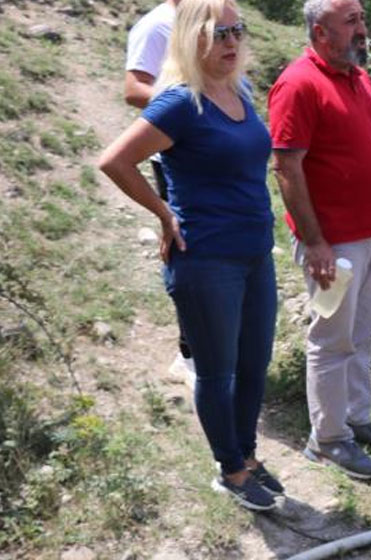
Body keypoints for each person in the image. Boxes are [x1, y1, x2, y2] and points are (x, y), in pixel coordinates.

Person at [99, 0, 283, 512]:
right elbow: (115, 161)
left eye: (235, 31)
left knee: (254, 365)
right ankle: (230, 469)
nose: (229, 42)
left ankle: (246, 455)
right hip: (206, 259)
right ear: (189, 38)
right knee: (218, 371)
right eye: (216, 33)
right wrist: (163, 213)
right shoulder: (180, 102)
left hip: (253, 255)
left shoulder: (239, 90)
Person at [269, 0, 371, 481]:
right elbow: (287, 166)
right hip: (333, 244)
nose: (363, 30)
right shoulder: (298, 83)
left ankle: (355, 419)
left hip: (368, 235)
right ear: (321, 32)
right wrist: (316, 241)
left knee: (363, 329)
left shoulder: (357, 77)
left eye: (362, 19)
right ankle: (327, 439)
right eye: (352, 22)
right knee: (331, 338)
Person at [123, 0, 197, 389]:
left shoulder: (218, 16)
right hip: (173, 155)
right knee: (186, 242)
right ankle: (188, 353)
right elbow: (134, 88)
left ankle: (219, 348)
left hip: (214, 152)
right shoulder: (156, 26)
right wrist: (189, 106)